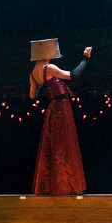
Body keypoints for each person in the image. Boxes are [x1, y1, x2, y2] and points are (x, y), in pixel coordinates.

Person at [29, 38, 92, 195]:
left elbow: (32, 95)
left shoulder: (33, 73)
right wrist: (85, 59)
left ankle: (55, 185)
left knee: (55, 145)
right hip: (61, 109)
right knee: (62, 146)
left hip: (53, 108)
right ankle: (64, 186)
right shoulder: (49, 68)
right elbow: (73, 75)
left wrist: (43, 86)